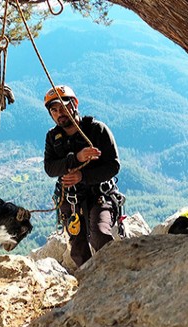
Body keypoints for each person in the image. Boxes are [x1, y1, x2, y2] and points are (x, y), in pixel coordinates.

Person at [43, 85, 121, 268]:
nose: (59, 113)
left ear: (75, 104)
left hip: (98, 195)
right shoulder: (53, 137)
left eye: (63, 107)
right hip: (71, 200)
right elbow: (50, 168)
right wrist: (76, 158)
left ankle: (111, 272)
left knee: (100, 235)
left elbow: (113, 165)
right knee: (78, 249)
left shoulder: (96, 130)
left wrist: (83, 176)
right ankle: (88, 282)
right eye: (54, 110)